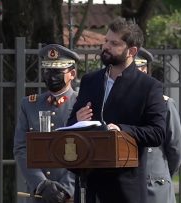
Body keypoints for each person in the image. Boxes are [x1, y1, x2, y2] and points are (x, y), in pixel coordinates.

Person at [67, 17, 167, 203]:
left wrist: (121, 130)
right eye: (106, 41)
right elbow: (71, 125)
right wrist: (77, 120)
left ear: (132, 51)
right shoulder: (90, 81)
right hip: (91, 185)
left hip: (126, 189)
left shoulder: (148, 86)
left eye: (114, 43)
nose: (106, 47)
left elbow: (157, 132)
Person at [14, 44, 79, 203]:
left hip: (71, 195)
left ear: (72, 74)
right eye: (47, 71)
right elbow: (21, 148)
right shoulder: (29, 105)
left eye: (57, 71)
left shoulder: (83, 104)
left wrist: (65, 188)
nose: (51, 76)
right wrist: (41, 184)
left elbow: (89, 150)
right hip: (39, 195)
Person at [136, 47, 181, 203]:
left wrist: (161, 173)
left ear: (145, 71)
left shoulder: (165, 104)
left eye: (137, 69)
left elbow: (175, 149)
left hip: (155, 186)